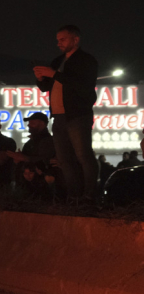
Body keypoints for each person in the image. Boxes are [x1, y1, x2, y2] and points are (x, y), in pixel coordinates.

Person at [34, 24, 99, 201]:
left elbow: (83, 86)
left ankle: (90, 194)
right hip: (59, 116)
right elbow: (47, 87)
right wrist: (41, 78)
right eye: (57, 40)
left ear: (75, 39)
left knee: (83, 155)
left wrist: (54, 74)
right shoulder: (58, 61)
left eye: (63, 39)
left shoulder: (86, 60)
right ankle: (73, 195)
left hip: (77, 115)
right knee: (64, 159)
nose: (59, 43)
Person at [6, 112, 59, 198]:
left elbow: (46, 160)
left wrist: (25, 158)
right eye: (29, 123)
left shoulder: (48, 141)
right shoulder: (30, 143)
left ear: (42, 124)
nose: (29, 125)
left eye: (32, 123)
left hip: (42, 187)